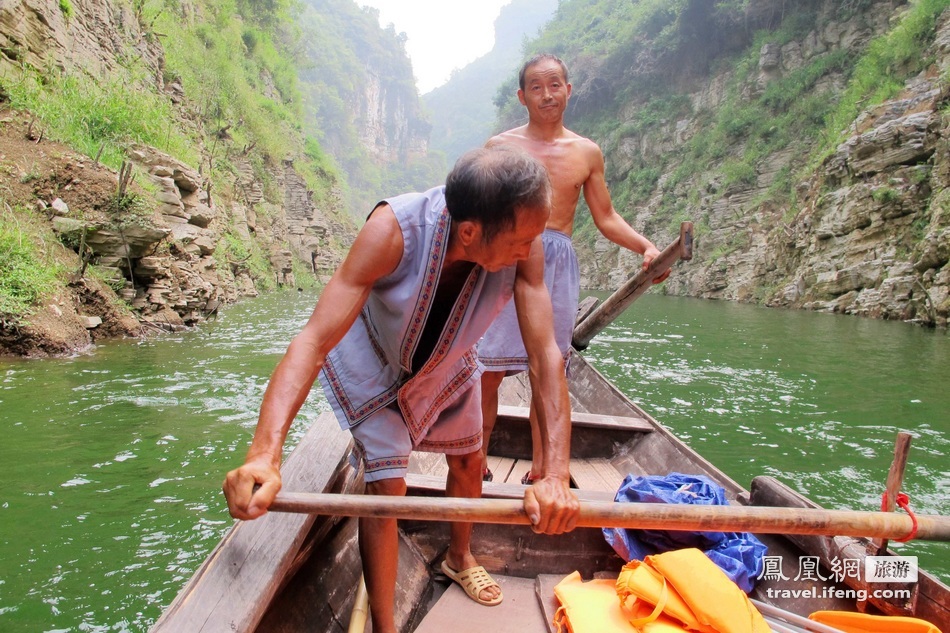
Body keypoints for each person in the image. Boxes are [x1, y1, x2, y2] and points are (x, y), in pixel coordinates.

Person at [222, 146, 580, 633]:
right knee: (387, 487)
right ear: (471, 232)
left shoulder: (526, 242)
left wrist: (555, 474)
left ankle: (459, 556)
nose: (528, 250)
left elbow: (545, 356)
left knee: (471, 461)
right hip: (375, 360)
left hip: (451, 360)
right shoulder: (392, 231)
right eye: (520, 241)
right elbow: (313, 340)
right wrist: (265, 453)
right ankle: (386, 629)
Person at [478, 53, 670, 484]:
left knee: (547, 369)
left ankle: (545, 470)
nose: (546, 95)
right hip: (504, 258)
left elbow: (606, 217)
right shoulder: (499, 148)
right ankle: (476, 461)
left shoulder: (586, 152)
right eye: (536, 87)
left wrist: (646, 247)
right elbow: (478, 213)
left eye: (554, 85)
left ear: (568, 89)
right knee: (486, 370)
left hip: (556, 263)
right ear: (522, 96)